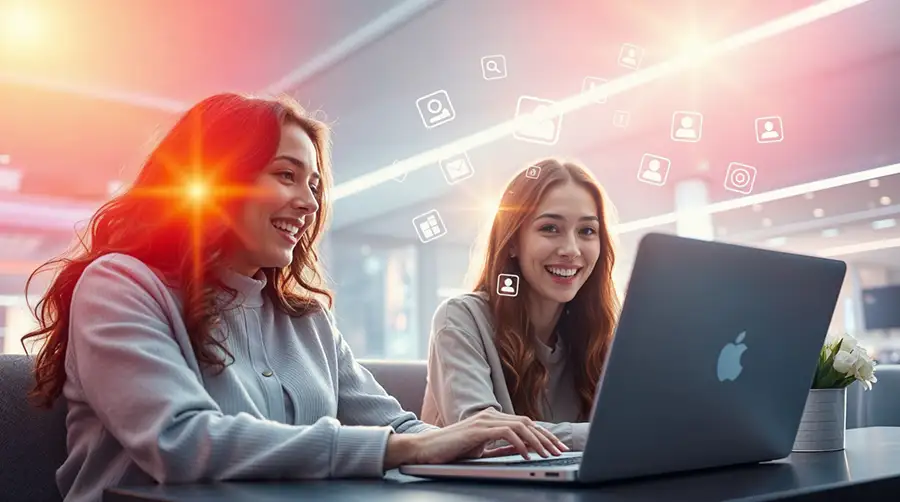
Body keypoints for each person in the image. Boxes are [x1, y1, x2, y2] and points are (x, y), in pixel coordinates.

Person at [21, 93, 566, 502]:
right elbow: (180, 443)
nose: (308, 203)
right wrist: (407, 448)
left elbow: (398, 429)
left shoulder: (307, 319)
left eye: (314, 185)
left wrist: (487, 443)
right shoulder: (122, 285)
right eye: (287, 175)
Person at [421, 159, 620, 451]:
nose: (571, 249)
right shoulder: (460, 319)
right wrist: (610, 436)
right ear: (512, 241)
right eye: (550, 228)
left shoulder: (597, 331)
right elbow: (482, 439)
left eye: (587, 231)